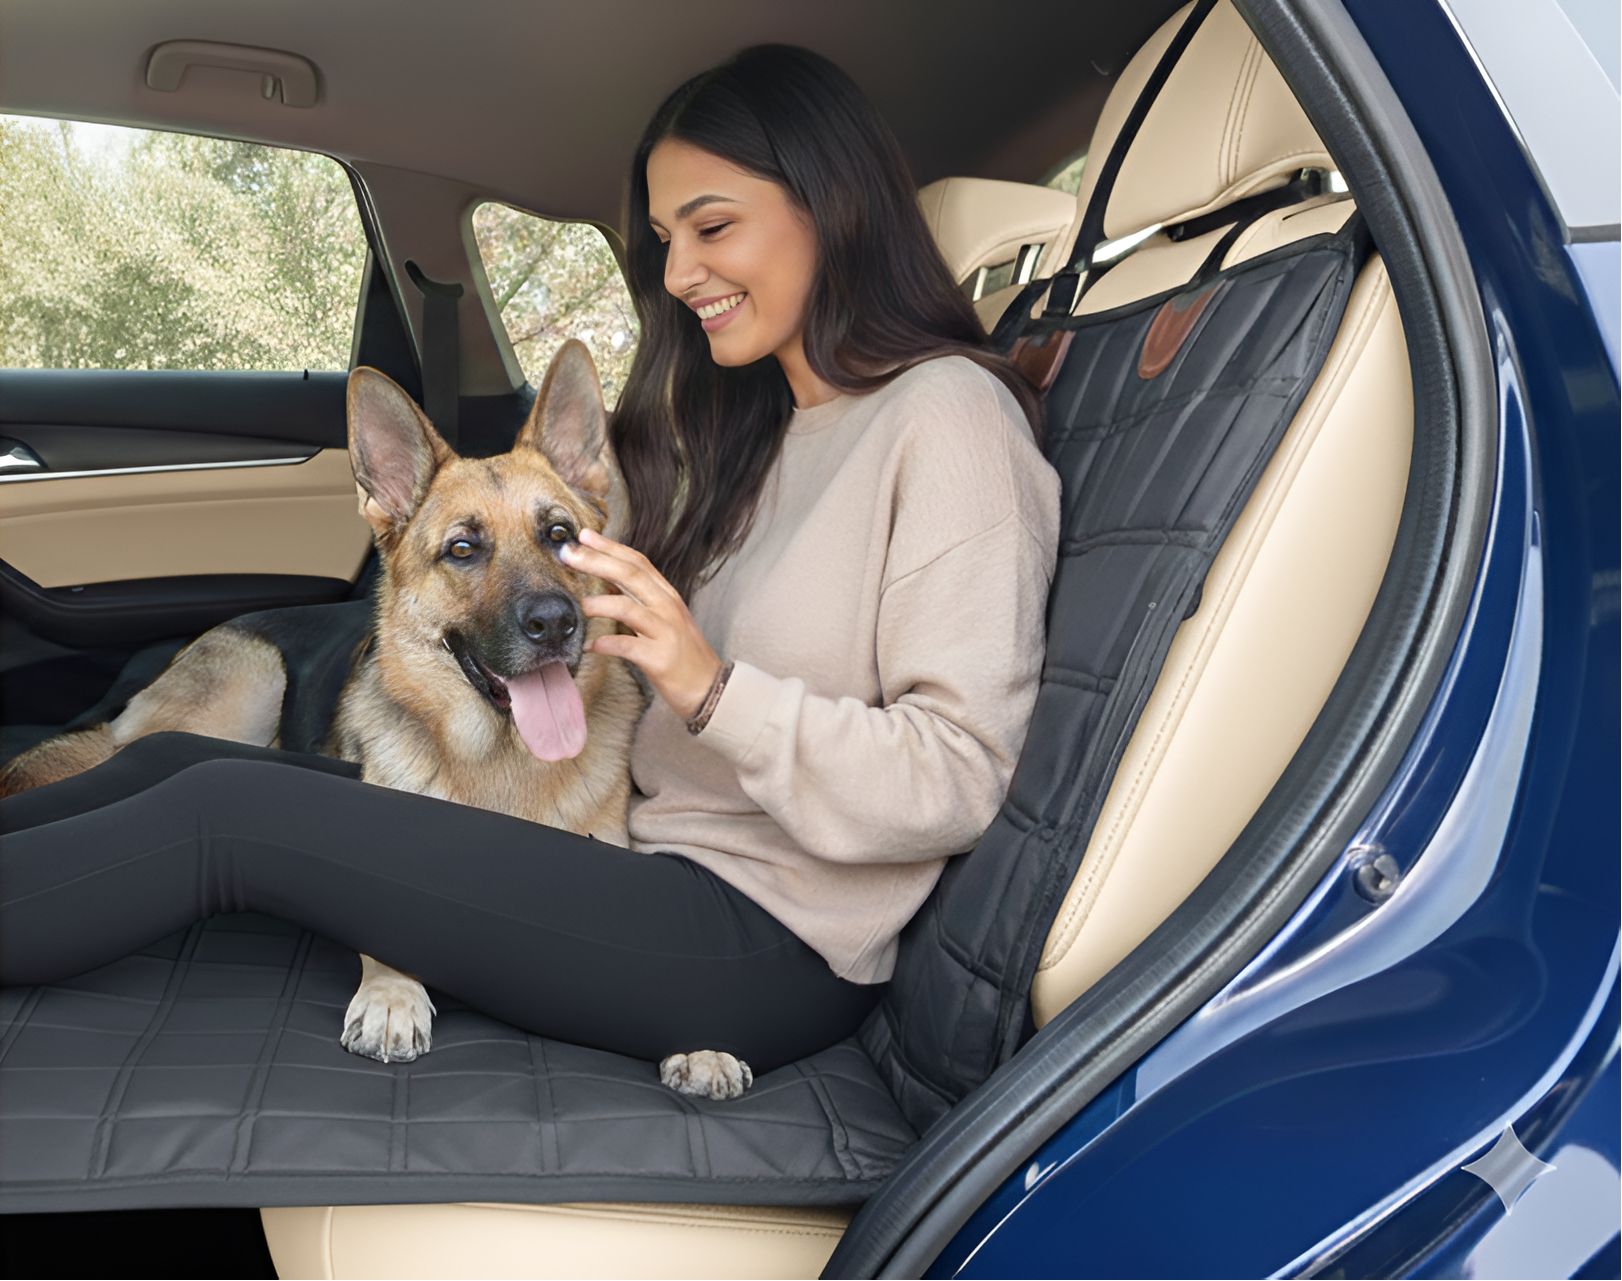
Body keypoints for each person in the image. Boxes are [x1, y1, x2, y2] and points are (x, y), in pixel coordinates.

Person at [0, 46, 1059, 1075]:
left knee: (224, 819)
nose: (680, 274)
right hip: (635, 858)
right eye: (660, 240)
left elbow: (958, 779)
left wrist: (708, 687)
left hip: (757, 940)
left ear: (834, 209)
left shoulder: (948, 420)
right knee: (197, 761)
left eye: (713, 227)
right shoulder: (756, 432)